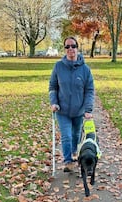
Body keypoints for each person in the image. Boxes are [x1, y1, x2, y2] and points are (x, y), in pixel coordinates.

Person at [49, 36, 95, 172]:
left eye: (73, 46)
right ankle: (68, 161)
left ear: (77, 48)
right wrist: (54, 102)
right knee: (66, 136)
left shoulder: (85, 69)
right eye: (67, 47)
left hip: (79, 111)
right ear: (64, 49)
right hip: (62, 110)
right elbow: (53, 87)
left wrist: (88, 109)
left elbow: (89, 90)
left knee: (75, 135)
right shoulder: (58, 67)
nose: (70, 49)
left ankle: (74, 152)